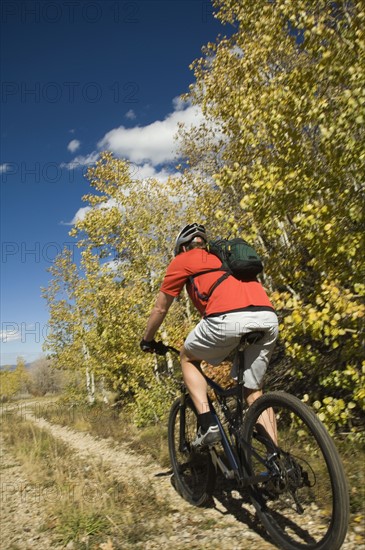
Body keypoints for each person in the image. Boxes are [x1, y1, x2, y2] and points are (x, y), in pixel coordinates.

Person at [140, 223, 279, 447]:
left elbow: (160, 309)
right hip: (267, 316)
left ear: (183, 248)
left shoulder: (183, 260)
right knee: (254, 392)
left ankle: (208, 424)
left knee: (187, 357)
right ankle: (278, 464)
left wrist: (147, 340)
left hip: (227, 318)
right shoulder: (223, 255)